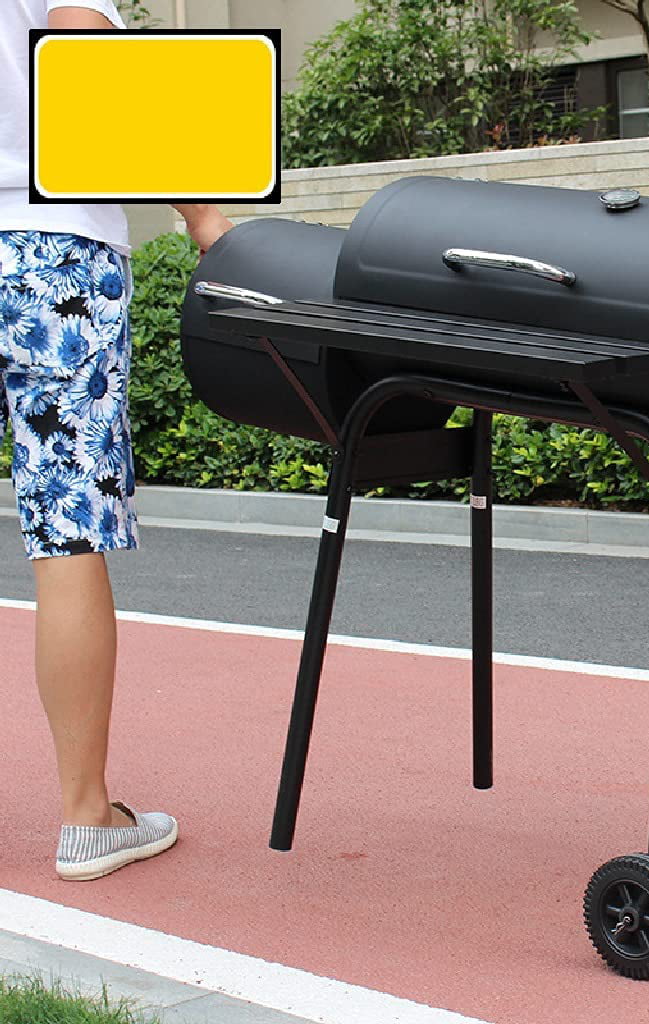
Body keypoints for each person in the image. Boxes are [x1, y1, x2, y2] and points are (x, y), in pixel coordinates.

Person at [1, 0, 233, 880]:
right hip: (49, 249)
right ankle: (87, 818)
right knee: (65, 534)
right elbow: (89, 64)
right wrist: (205, 218)